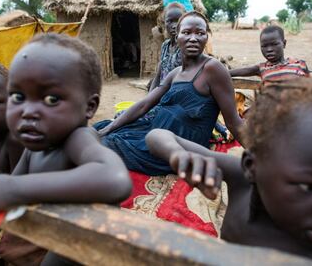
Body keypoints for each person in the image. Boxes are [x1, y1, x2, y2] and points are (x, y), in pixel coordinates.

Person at [146, 80, 312, 265]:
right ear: (252, 167)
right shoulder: (243, 182)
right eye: (309, 186)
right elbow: (158, 136)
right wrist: (179, 155)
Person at [0, 33, 132, 265]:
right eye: (18, 96)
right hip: (30, 242)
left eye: (52, 99)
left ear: (89, 107)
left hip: (64, 248)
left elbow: (115, 179)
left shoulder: (79, 139)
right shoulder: (33, 147)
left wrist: (14, 188)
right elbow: (8, 190)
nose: (28, 111)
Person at [94, 11, 244, 176]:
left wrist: (259, 158)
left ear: (206, 37)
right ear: (177, 35)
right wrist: (108, 128)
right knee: (99, 129)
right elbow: (144, 104)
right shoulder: (176, 73)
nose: (193, 38)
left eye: (200, 33)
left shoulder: (213, 69)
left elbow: (234, 122)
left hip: (177, 146)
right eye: (186, 32)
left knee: (103, 144)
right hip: (154, 130)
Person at [229, 25, 310, 84]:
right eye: (264, 46)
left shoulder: (300, 64)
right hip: (272, 106)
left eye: (274, 44)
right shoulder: (262, 68)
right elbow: (238, 72)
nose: (269, 49)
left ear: (284, 44)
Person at [149, 2, 185, 92]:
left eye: (178, 21)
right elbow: (158, 75)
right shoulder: (165, 46)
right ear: (164, 23)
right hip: (163, 92)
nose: (174, 25)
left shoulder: (186, 47)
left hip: (179, 94)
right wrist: (149, 96)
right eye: (170, 21)